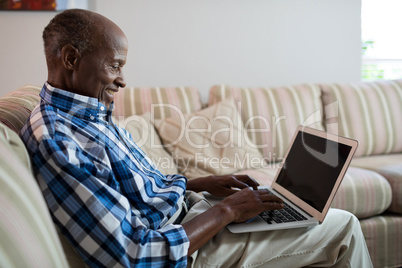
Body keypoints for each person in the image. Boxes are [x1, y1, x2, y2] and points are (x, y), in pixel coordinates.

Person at [20, 9, 373, 268]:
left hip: (188, 215)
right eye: (115, 65)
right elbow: (134, 254)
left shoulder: (86, 112)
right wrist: (227, 211)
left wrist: (201, 184)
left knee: (293, 210)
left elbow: (137, 192)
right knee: (344, 226)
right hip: (183, 250)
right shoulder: (59, 141)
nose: (123, 80)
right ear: (70, 58)